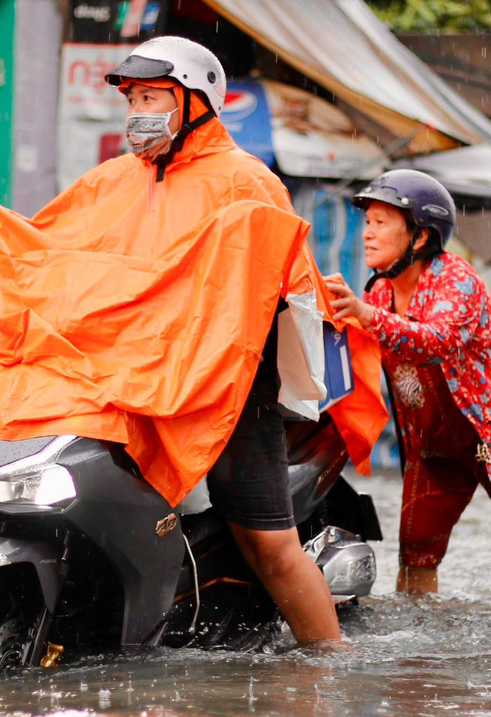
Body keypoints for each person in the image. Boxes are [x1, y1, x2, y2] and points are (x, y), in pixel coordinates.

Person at [104, 37, 343, 644]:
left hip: (231, 387)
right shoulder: (115, 183)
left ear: (193, 101)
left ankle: (330, 661)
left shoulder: (248, 181)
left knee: (268, 543)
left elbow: (287, 285)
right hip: (134, 381)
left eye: (151, 97)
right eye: (132, 100)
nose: (137, 113)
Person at [325, 170, 491, 600]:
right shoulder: (380, 293)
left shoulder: (456, 281)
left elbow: (435, 341)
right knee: (415, 556)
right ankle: (418, 660)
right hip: (438, 445)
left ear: (420, 238)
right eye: (367, 222)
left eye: (382, 223)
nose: (367, 233)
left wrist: (365, 317)